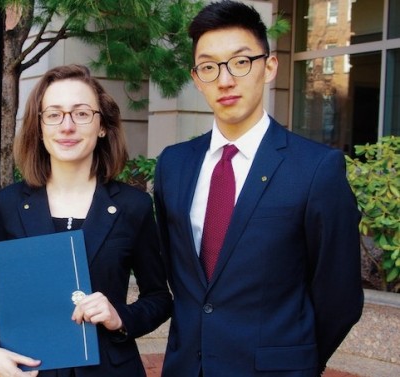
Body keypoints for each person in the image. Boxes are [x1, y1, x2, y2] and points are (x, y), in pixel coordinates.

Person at [153, 1, 363, 376]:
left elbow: (340, 297)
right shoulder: (174, 164)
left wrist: (296, 362)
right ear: (196, 78)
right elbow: (182, 276)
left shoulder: (316, 168)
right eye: (208, 67)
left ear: (269, 67)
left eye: (240, 61)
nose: (225, 79)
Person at [0, 64, 172, 377]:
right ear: (39, 128)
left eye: (81, 114)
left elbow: (159, 298)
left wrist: (119, 317)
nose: (67, 126)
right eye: (54, 114)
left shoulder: (133, 206)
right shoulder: (8, 205)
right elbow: (1, 304)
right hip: (32, 371)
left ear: (103, 126)